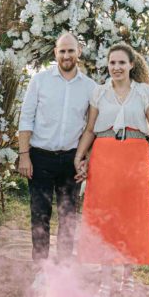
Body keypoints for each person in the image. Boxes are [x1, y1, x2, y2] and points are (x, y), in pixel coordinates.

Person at [73, 42, 149, 287]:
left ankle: (127, 276)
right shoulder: (99, 92)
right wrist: (79, 157)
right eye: (112, 63)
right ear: (107, 65)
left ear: (132, 64)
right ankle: (105, 278)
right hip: (104, 157)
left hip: (134, 157)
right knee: (105, 216)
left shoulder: (144, 92)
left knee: (131, 215)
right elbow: (90, 129)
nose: (117, 67)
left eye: (122, 62)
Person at [17, 32, 98, 265]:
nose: (66, 55)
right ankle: (40, 267)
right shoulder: (40, 81)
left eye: (71, 50)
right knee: (39, 215)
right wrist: (24, 156)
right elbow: (26, 119)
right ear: (55, 53)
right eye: (62, 51)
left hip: (71, 160)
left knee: (68, 216)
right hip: (40, 157)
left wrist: (85, 159)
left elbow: (92, 128)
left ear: (79, 52)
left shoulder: (90, 87)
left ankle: (63, 269)